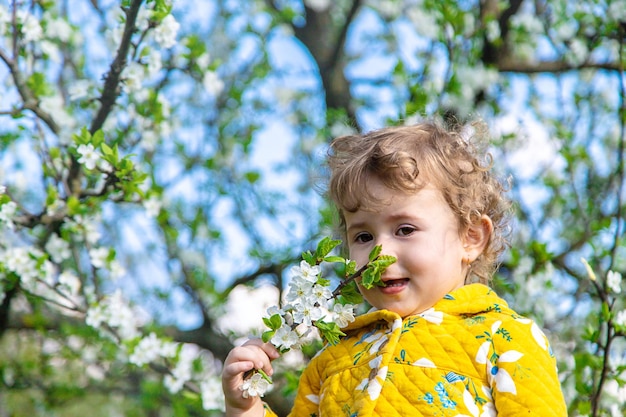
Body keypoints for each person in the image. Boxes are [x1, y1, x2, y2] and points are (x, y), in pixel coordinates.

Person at [221, 120, 568, 416]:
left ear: (471, 237)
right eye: (363, 236)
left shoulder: (505, 339)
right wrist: (246, 408)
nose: (379, 254)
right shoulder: (331, 360)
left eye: (405, 230)